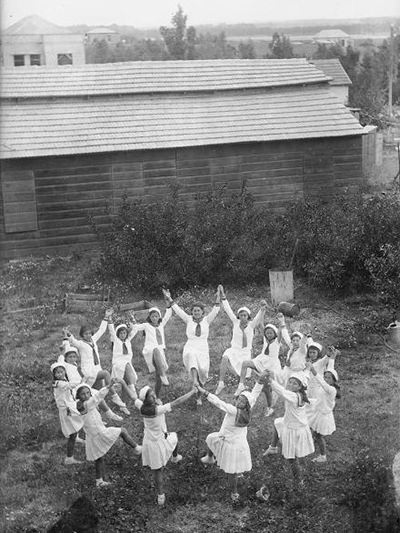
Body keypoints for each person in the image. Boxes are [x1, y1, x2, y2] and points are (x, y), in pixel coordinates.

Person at [198, 374, 264, 502]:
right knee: (211, 438)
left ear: (246, 405)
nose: (239, 401)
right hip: (238, 444)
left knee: (231, 471)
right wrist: (260, 382)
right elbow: (254, 396)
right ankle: (210, 458)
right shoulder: (247, 411)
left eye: (242, 401)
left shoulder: (233, 410)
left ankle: (234, 493)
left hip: (231, 445)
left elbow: (219, 402)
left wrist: (204, 392)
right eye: (239, 399)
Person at [133, 384, 197, 506]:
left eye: (153, 394)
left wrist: (123, 383)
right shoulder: (157, 410)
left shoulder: (141, 406)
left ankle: (174, 457)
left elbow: (132, 396)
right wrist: (192, 392)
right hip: (158, 442)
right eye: (151, 396)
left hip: (148, 441)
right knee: (158, 470)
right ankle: (161, 495)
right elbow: (177, 401)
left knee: (173, 439)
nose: (154, 396)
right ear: (146, 400)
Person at [75, 381, 142, 488]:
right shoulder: (83, 405)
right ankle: (137, 448)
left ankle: (99, 481)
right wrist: (108, 386)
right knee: (122, 431)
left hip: (95, 433)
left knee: (99, 458)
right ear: (78, 396)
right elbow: (96, 398)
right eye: (83, 394)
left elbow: (94, 408)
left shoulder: (87, 403)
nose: (86, 395)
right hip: (98, 433)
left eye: (88, 393)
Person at [63, 308, 128, 414]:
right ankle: (115, 397)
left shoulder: (93, 339)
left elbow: (101, 330)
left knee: (97, 393)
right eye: (85, 334)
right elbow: (73, 341)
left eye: (89, 333)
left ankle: (99, 414)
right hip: (88, 371)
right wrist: (68, 334)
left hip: (97, 368)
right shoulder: (81, 344)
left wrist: (106, 317)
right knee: (106, 374)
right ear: (82, 335)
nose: (88, 335)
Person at [163, 288, 220, 405]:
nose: (196, 313)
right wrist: (169, 298)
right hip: (191, 345)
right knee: (192, 356)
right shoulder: (188, 319)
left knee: (203, 371)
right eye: (194, 311)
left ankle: (198, 393)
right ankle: (194, 382)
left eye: (198, 311)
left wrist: (219, 295)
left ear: (202, 312)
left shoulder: (206, 320)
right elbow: (177, 309)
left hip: (203, 347)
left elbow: (216, 309)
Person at [262, 371, 314, 489]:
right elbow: (305, 375)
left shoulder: (294, 396)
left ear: (300, 387)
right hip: (291, 423)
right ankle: (273, 448)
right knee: (277, 423)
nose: (290, 385)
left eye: (294, 384)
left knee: (291, 458)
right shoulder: (300, 393)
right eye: (290, 382)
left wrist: (270, 380)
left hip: (294, 429)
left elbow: (282, 392)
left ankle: (299, 481)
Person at [215, 285, 267, 395]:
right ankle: (221, 383)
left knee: (244, 365)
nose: (243, 317)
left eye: (245, 315)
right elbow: (228, 309)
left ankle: (241, 385)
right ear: (238, 316)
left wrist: (262, 309)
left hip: (245, 351)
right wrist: (222, 294)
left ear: (248, 316)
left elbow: (259, 316)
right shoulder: (235, 322)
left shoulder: (251, 325)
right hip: (234, 349)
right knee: (225, 357)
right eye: (241, 315)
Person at [59, 342, 123, 422]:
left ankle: (109, 414)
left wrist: (83, 379)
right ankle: (102, 417)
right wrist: (62, 351)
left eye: (74, 357)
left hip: (82, 385)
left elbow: (80, 377)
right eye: (70, 357)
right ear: (66, 358)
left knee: (98, 395)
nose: (72, 359)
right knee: (92, 398)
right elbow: (60, 361)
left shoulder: (75, 365)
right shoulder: (65, 365)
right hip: (74, 390)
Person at [235, 318, 283, 416]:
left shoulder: (277, 342)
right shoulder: (266, 340)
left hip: (271, 366)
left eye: (271, 333)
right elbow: (262, 326)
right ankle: (241, 385)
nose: (269, 335)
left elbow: (280, 333)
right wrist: (263, 311)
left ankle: (269, 407)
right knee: (245, 363)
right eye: (267, 333)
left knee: (266, 388)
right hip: (261, 361)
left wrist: (281, 323)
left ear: (275, 334)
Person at [130, 300, 172, 398]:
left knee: (158, 377)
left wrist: (168, 302)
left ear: (159, 317)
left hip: (160, 353)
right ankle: (163, 375)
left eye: (156, 316)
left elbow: (168, 314)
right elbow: (136, 327)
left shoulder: (161, 325)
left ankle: (157, 396)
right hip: (150, 350)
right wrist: (131, 319)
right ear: (149, 317)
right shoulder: (146, 325)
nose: (154, 318)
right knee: (156, 350)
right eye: (152, 316)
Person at [306, 360, 341, 463]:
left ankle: (323, 456)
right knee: (311, 430)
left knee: (318, 436)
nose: (326, 379)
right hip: (317, 411)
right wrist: (309, 401)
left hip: (323, 415)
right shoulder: (325, 388)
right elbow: (319, 399)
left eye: (329, 378)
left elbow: (322, 383)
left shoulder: (332, 390)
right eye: (325, 377)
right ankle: (309, 447)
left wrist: (313, 370)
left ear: (334, 380)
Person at [50, 361, 84, 465]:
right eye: (58, 373)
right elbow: (69, 385)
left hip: (69, 406)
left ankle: (76, 436)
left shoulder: (65, 379)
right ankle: (69, 458)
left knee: (78, 422)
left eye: (62, 371)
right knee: (72, 432)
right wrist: (81, 381)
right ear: (54, 375)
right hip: (65, 410)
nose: (60, 374)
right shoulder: (58, 383)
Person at [108, 316, 138, 402]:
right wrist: (110, 320)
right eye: (120, 333)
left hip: (127, 363)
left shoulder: (128, 340)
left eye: (124, 333)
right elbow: (111, 330)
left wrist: (132, 318)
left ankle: (124, 401)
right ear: (118, 334)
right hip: (118, 363)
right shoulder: (116, 340)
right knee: (127, 367)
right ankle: (132, 390)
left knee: (127, 379)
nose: (123, 335)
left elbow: (135, 329)